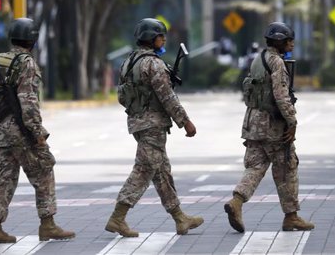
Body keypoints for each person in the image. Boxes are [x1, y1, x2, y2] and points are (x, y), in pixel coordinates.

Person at [105, 18, 203, 237]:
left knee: (161, 172)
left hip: (137, 123)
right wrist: (185, 121)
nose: (164, 39)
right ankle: (117, 217)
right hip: (153, 125)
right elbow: (167, 97)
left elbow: (122, 96)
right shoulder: (154, 64)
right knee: (144, 170)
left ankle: (180, 218)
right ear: (151, 38)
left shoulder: (128, 62)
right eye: (161, 36)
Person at [0, 17, 74, 243]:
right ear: (32, 39)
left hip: (0, 126)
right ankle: (48, 224)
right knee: (44, 169)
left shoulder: (0, 60)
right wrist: (37, 133)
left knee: (5, 177)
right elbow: (28, 101)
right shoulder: (27, 63)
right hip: (21, 129)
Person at [225, 22, 314, 233]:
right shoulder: (277, 63)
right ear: (280, 41)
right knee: (287, 167)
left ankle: (236, 202)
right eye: (289, 40)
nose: (292, 44)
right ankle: (291, 217)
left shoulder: (258, 59)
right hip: (272, 125)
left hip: (253, 122)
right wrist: (292, 122)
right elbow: (281, 96)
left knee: (255, 167)